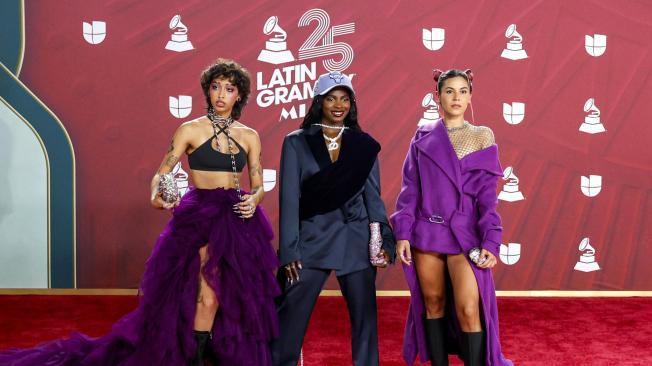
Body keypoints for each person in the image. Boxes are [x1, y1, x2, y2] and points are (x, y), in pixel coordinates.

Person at [0, 58, 279, 365]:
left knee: (233, 296)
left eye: (229, 88)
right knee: (204, 293)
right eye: (216, 87)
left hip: (236, 219)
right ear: (207, 91)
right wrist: (155, 193)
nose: (221, 94)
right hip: (199, 217)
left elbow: (258, 183)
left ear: (239, 95)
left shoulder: (249, 135)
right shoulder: (189, 130)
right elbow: (162, 172)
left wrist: (254, 199)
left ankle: (212, 352)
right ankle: (196, 357)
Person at [271, 71, 396, 366]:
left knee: (365, 322)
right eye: (331, 98)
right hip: (311, 242)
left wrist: (384, 239)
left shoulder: (364, 145)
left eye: (344, 98)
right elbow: (289, 200)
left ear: (351, 104)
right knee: (289, 320)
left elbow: (373, 197)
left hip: (355, 241)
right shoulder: (296, 142)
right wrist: (289, 251)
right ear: (319, 102)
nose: (338, 105)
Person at [392, 69, 512, 366]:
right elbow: (410, 189)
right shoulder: (423, 136)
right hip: (426, 233)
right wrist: (403, 233)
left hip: (464, 235)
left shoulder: (482, 135)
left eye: (462, 91)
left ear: (470, 96)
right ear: (438, 97)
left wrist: (491, 241)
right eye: (449, 91)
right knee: (432, 304)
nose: (456, 97)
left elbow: (487, 197)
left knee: (469, 309)